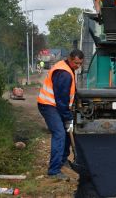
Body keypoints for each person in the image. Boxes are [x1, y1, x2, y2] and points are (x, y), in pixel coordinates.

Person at [37, 49, 84, 180]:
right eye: (76, 63)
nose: (78, 66)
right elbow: (61, 99)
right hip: (48, 105)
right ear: (69, 58)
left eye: (80, 63)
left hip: (58, 106)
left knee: (68, 131)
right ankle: (53, 171)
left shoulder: (69, 68)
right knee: (59, 134)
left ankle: (63, 160)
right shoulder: (64, 73)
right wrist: (67, 117)